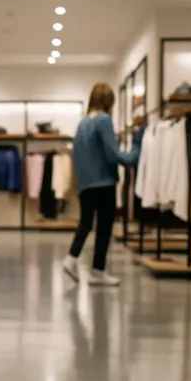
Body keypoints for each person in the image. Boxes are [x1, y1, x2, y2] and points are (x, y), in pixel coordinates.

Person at [63, 83, 140, 286]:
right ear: (109, 102)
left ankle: (71, 259)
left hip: (86, 183)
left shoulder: (83, 123)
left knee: (86, 222)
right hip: (104, 181)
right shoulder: (104, 120)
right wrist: (135, 152)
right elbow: (113, 154)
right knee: (105, 226)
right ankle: (98, 270)